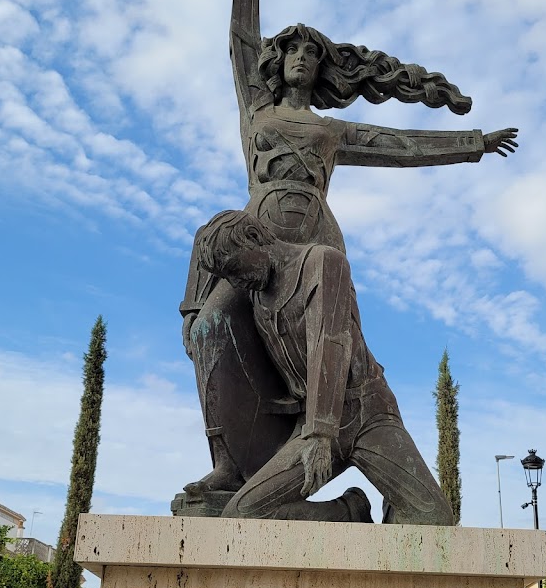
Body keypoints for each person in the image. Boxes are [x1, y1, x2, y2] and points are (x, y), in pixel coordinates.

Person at [180, 0, 518, 499]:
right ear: (278, 61)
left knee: (328, 341)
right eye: (293, 51)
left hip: (314, 234)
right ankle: (229, 463)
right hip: (256, 233)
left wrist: (473, 143)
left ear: (322, 70)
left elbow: (398, 145)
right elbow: (241, 41)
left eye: (313, 54)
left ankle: (333, 431)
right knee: (212, 326)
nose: (302, 59)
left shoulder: (330, 131)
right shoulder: (257, 110)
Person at [194, 209, 455, 525]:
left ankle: (393, 508)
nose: (236, 282)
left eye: (235, 269)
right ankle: (350, 511)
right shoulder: (257, 294)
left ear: (253, 237)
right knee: (242, 514)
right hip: (308, 426)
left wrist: (321, 433)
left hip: (365, 415)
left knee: (434, 518)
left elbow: (328, 341)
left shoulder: (323, 262)